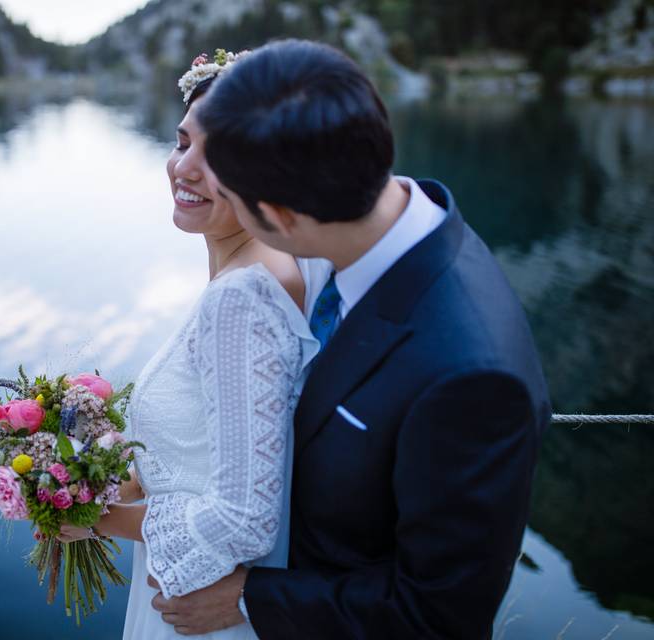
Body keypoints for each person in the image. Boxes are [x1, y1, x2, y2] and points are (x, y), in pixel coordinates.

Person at [149, 39, 552, 639]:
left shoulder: (471, 375)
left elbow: (440, 616)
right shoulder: (386, 220)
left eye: (228, 192)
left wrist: (253, 599)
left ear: (279, 217)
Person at [57, 51, 321, 639]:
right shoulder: (263, 268)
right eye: (183, 144)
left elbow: (243, 520)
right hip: (191, 585)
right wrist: (115, 466)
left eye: (221, 154)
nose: (186, 168)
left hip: (203, 611)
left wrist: (95, 518)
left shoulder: (245, 296)